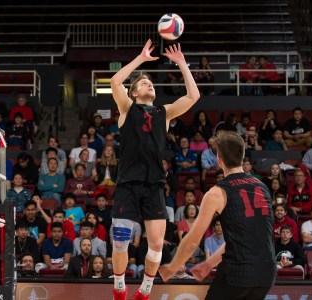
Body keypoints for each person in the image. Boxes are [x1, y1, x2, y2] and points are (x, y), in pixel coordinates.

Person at [109, 41, 201, 300]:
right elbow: (116, 82)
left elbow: (194, 97)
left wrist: (182, 62)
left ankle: (146, 288)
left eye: (151, 82)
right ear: (135, 93)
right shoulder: (127, 109)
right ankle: (119, 286)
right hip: (128, 183)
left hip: (154, 185)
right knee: (120, 240)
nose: (149, 84)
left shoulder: (165, 113)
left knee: (157, 245)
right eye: (143, 83)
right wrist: (140, 59)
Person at [159, 131, 276, 300]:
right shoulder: (261, 186)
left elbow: (192, 239)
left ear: (219, 160)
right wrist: (209, 263)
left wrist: (172, 267)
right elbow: (243, 237)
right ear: (242, 157)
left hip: (238, 273)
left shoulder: (217, 193)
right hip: (266, 273)